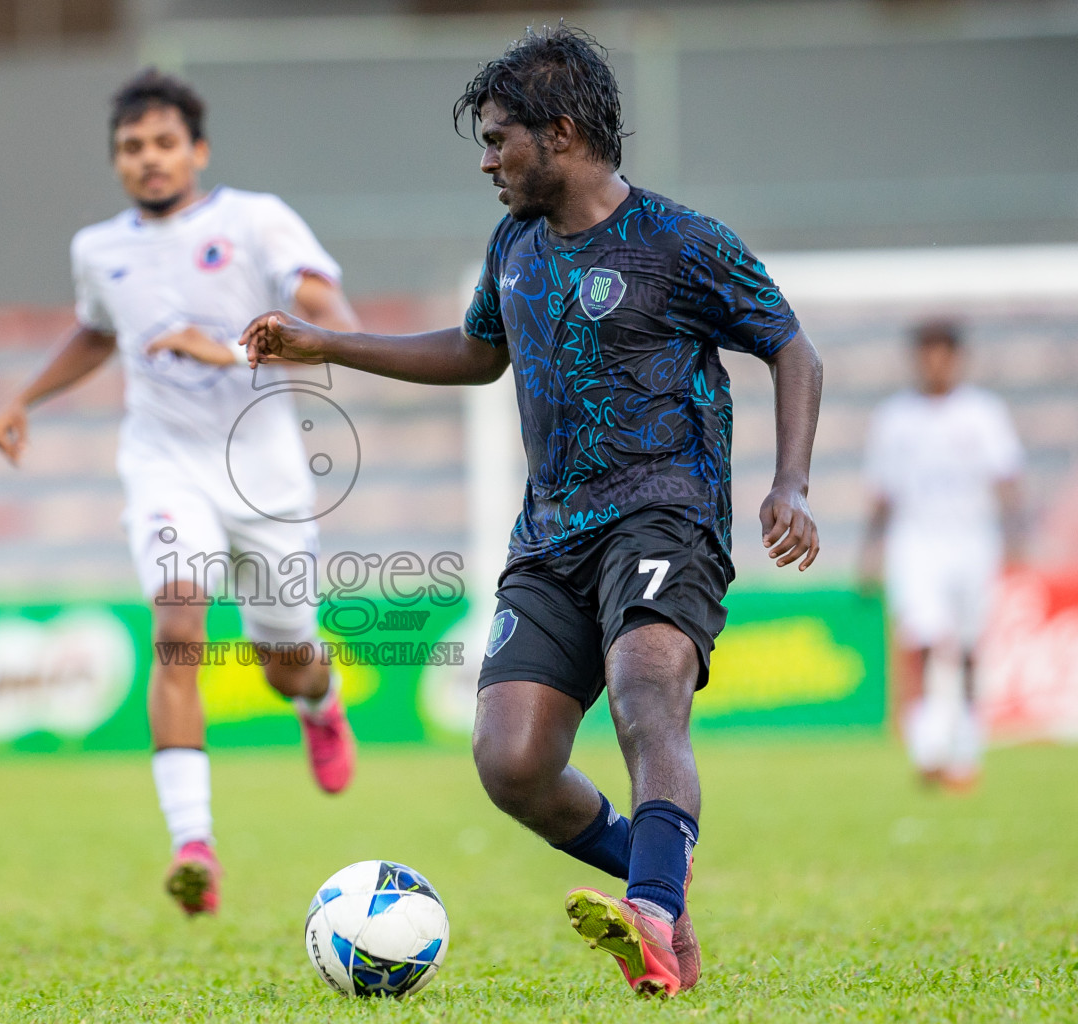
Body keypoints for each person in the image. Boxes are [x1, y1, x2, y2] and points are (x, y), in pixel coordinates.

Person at [240, 26, 822, 999]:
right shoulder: (513, 243)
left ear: (559, 134)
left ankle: (649, 910)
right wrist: (322, 344)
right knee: (510, 763)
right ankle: (660, 881)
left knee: (646, 686)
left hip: (663, 516)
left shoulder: (681, 242)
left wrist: (792, 481)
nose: (485, 158)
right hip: (549, 538)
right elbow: (476, 352)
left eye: (499, 137)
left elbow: (792, 348)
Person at [0, 70, 360, 918]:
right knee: (179, 628)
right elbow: (96, 329)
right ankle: (195, 845)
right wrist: (23, 399)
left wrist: (228, 348)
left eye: (162, 143)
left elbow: (336, 324)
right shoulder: (98, 249)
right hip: (163, 467)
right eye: (130, 148)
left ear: (197, 150)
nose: (147, 160)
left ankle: (321, 704)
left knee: (285, 661)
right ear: (116, 161)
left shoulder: (254, 221)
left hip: (264, 473)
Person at [860, 321, 1023, 790]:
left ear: (956, 358)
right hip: (917, 541)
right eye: (926, 353)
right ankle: (929, 746)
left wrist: (1016, 538)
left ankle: (967, 746)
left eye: (942, 353)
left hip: (974, 539)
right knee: (925, 640)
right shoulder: (895, 418)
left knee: (969, 649)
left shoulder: (982, 413)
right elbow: (883, 493)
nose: (934, 362)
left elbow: (1007, 478)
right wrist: (870, 551)